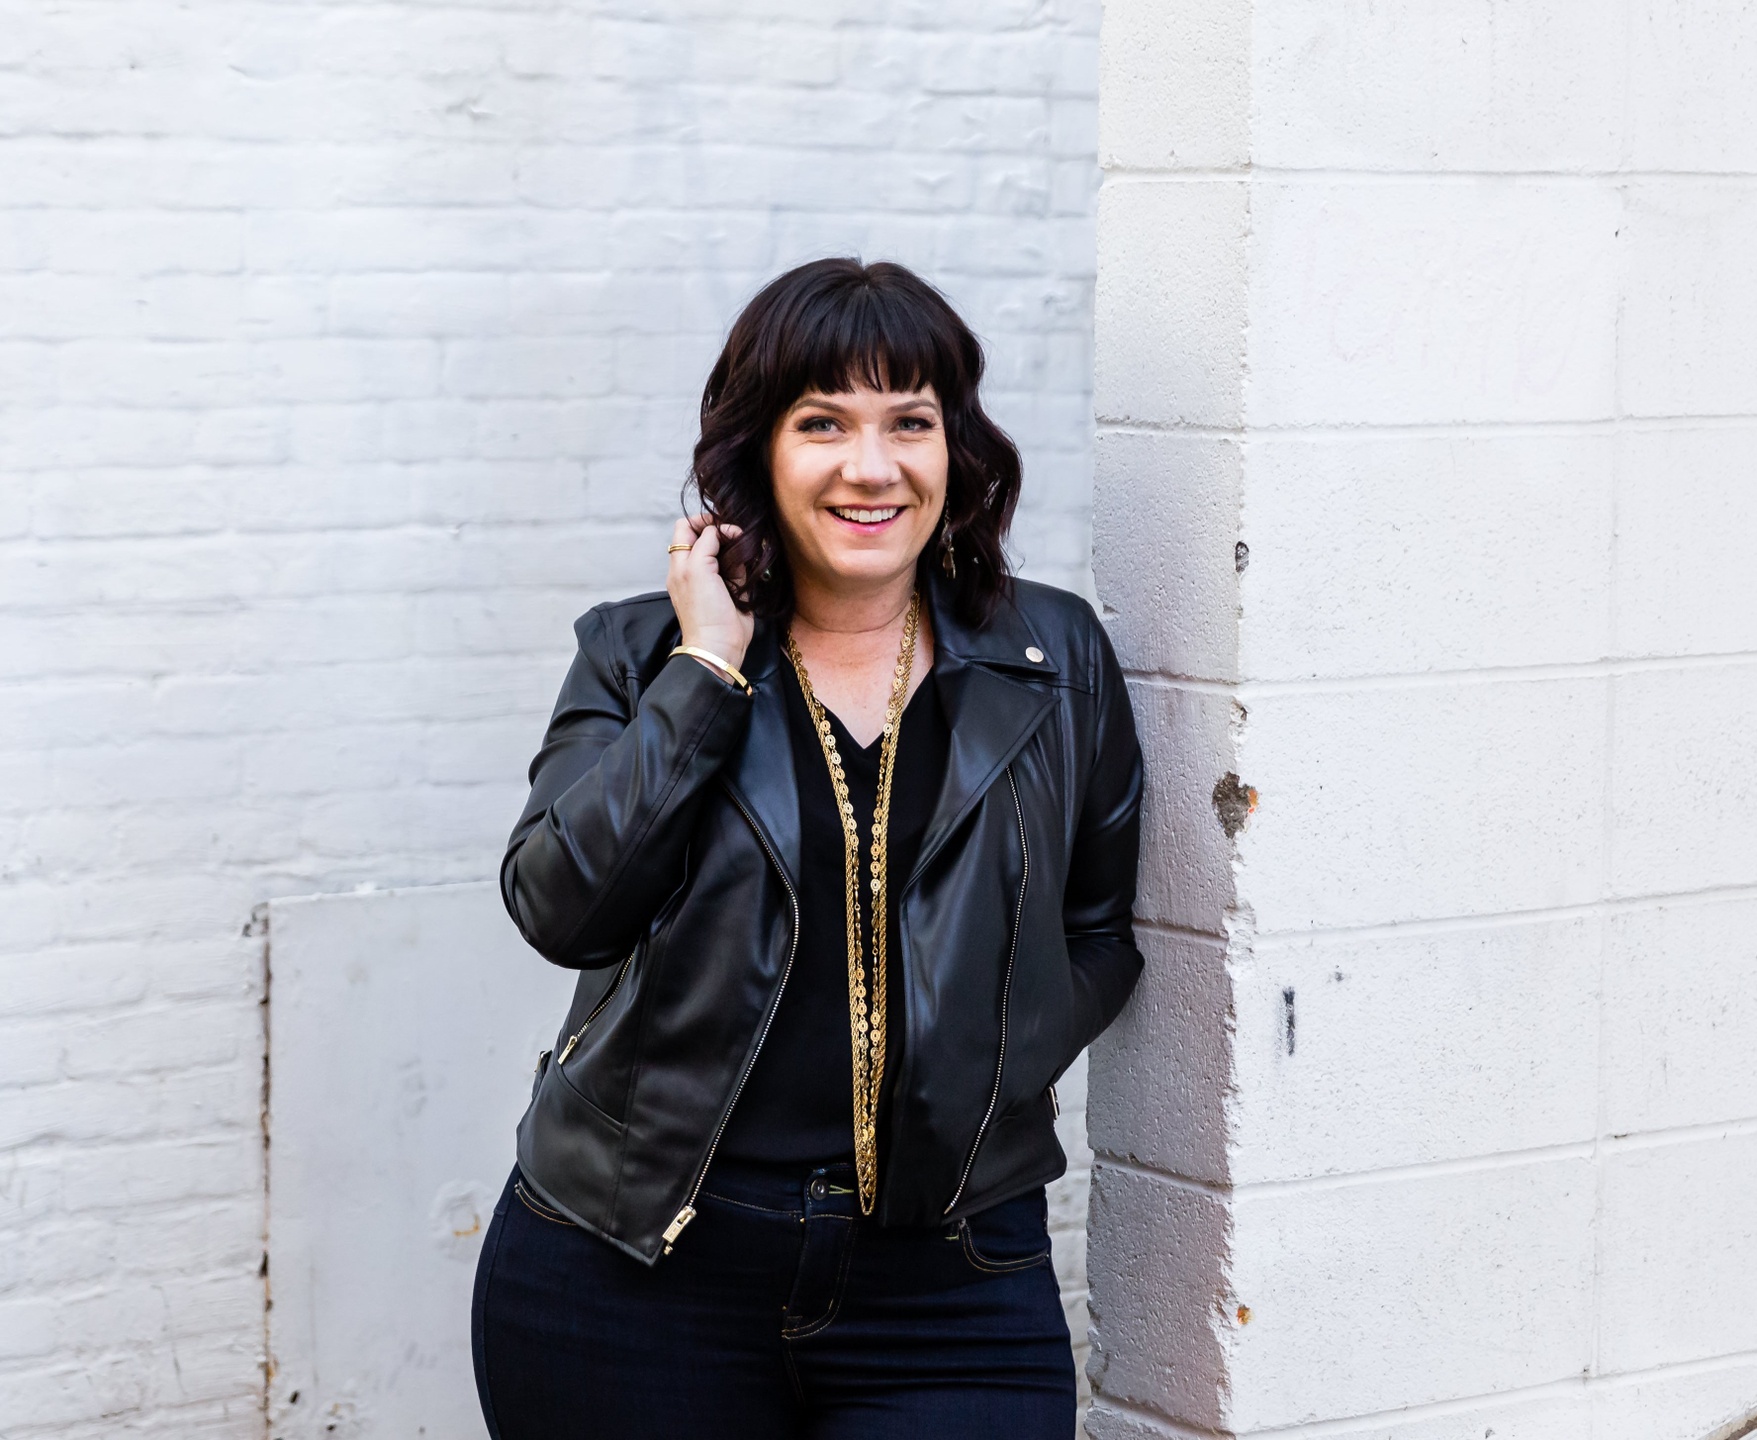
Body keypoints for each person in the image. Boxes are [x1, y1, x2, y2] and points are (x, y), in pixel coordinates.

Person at [471, 257, 1144, 1439]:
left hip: (951, 1279)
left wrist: (982, 1069)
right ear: (759, 452)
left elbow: (1096, 932)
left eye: (909, 422)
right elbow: (560, 909)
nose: (870, 466)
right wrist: (705, 669)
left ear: (956, 448)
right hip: (632, 1267)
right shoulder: (639, 656)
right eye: (821, 422)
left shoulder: (1052, 659)